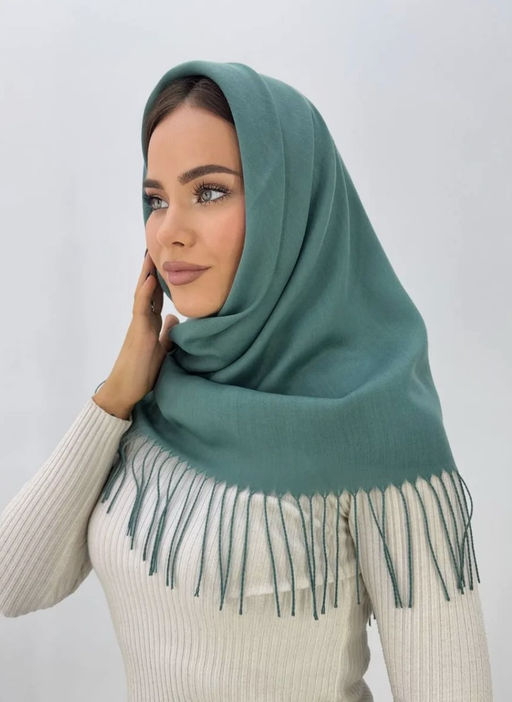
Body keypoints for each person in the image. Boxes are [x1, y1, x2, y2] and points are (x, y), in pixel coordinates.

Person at [0, 60, 493, 701]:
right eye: (156, 200)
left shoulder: (380, 426)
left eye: (209, 191)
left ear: (288, 204)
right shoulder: (157, 395)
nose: (169, 232)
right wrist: (115, 397)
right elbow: (13, 583)